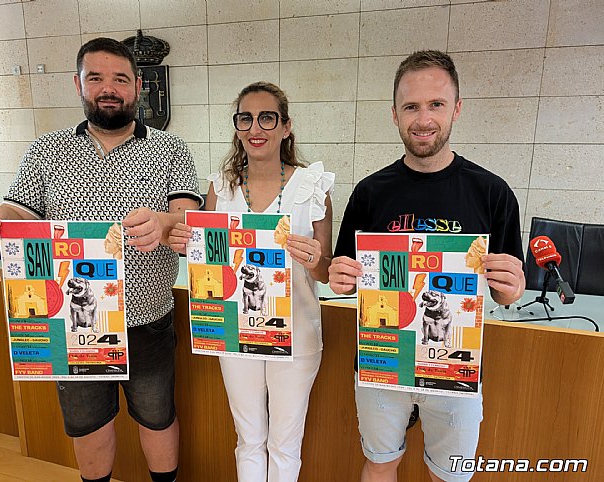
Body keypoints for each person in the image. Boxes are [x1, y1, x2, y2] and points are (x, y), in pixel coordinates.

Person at [0, 37, 202, 482]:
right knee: (88, 423)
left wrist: (165, 223)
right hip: (75, 321)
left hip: (148, 315)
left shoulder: (170, 148)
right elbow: (22, 214)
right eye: (96, 78)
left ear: (137, 88)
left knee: (156, 416)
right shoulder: (47, 149)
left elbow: (186, 214)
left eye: (120, 79)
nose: (108, 88)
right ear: (78, 84)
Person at [328, 50, 525, 482]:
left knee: (449, 476)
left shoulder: (492, 193)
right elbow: (345, 276)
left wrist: (511, 286)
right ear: (394, 114)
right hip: (382, 362)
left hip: (456, 366)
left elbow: (506, 293)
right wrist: (340, 278)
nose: (423, 118)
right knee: (381, 462)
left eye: (436, 104)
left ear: (456, 108)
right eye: (411, 106)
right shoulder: (369, 193)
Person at [169, 81, 334, 482]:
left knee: (284, 441)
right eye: (246, 118)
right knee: (249, 438)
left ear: (286, 126)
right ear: (237, 126)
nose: (256, 128)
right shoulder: (219, 187)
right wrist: (181, 244)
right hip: (236, 329)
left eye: (267, 117)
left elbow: (325, 272)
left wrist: (314, 259)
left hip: (295, 332)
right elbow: (208, 258)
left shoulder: (313, 188)